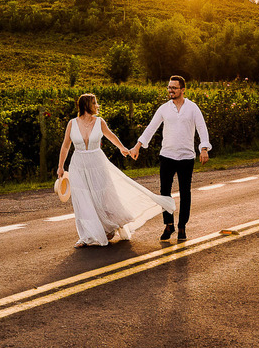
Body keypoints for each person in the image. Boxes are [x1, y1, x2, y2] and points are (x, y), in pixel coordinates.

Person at [58, 93, 176, 247]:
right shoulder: (72, 124)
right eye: (94, 103)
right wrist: (61, 166)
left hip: (97, 163)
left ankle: (110, 226)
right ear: (87, 105)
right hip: (78, 165)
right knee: (83, 200)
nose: (97, 106)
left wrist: (122, 148)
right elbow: (66, 145)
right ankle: (86, 236)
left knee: (104, 197)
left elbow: (111, 136)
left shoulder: (99, 122)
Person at [129, 75, 211, 242]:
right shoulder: (164, 109)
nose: (170, 90)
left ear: (182, 89)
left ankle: (182, 227)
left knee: (185, 192)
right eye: (169, 87)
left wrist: (204, 148)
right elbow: (151, 128)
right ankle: (168, 224)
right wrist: (138, 146)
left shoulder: (193, 108)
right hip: (167, 156)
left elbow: (202, 129)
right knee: (165, 193)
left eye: (174, 87)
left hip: (186, 157)